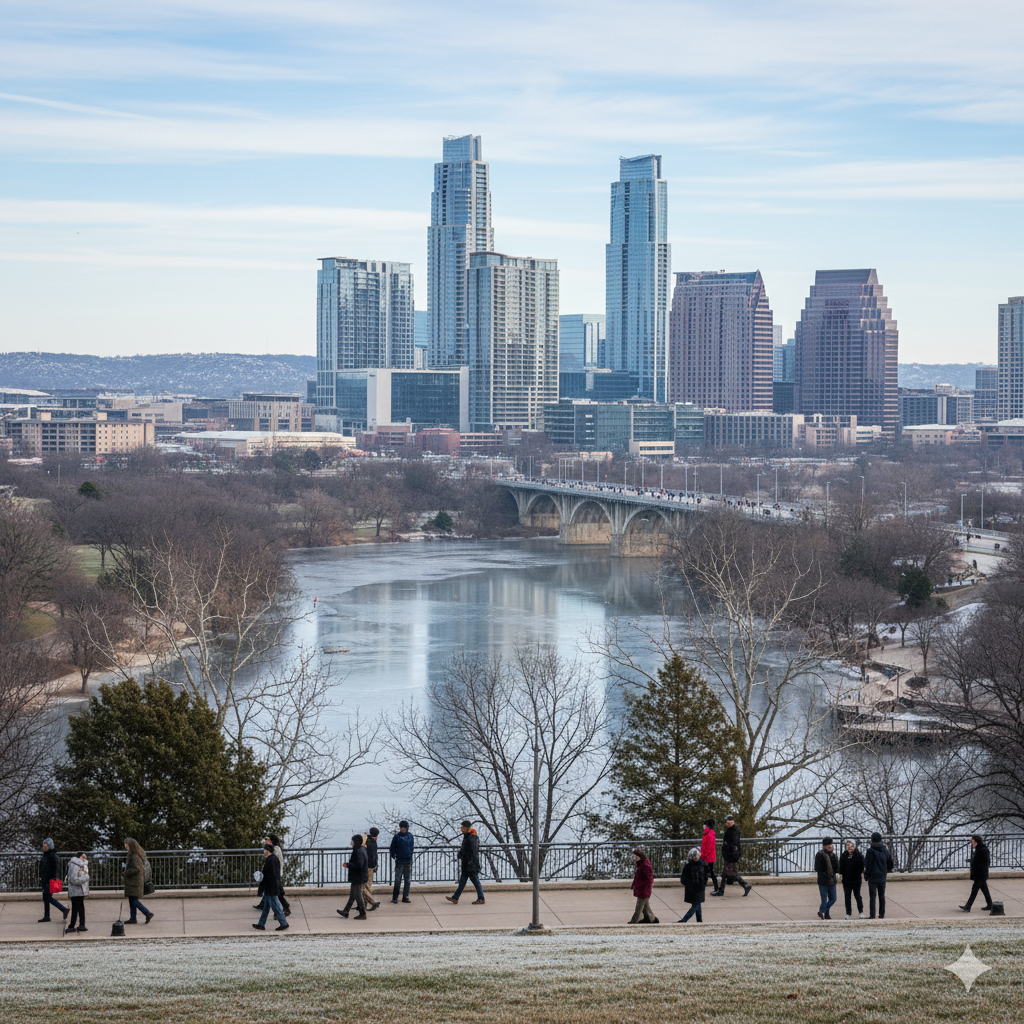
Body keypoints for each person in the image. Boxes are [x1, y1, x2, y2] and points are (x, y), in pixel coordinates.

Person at [446, 820, 485, 905]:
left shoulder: (471, 838)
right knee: (463, 881)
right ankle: (455, 898)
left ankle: (481, 898)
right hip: (467, 863)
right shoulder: (469, 836)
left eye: (463, 828)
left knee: (474, 880)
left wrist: (469, 861)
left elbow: (472, 851)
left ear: (466, 828)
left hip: (469, 864)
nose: (461, 830)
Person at [713, 815, 752, 897]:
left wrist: (727, 848)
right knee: (726, 873)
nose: (726, 823)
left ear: (731, 822)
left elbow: (733, 844)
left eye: (727, 821)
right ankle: (721, 891)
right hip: (729, 855)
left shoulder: (734, 830)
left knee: (731, 873)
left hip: (731, 856)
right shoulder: (731, 829)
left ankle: (745, 885)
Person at [253, 844, 289, 930]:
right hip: (272, 886)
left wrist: (262, 888)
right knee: (266, 907)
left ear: (267, 850)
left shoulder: (269, 861)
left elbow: (267, 876)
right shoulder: (274, 859)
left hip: (271, 887)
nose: (263, 851)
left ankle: (284, 923)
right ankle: (261, 924)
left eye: (264, 850)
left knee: (276, 906)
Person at [337, 834, 368, 920]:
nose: (351, 843)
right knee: (353, 895)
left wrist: (349, 865)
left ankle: (363, 913)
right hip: (358, 876)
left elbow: (359, 864)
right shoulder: (360, 850)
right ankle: (346, 911)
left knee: (357, 894)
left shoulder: (359, 851)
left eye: (352, 841)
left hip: (358, 876)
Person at [863, 832, 893, 920]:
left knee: (872, 896)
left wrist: (866, 875)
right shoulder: (885, 850)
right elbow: (890, 863)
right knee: (882, 895)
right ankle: (881, 914)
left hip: (873, 876)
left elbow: (868, 864)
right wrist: (885, 871)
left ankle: (872, 914)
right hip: (882, 876)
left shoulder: (870, 851)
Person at [123, 838, 154, 924]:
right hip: (133, 882)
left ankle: (147, 913)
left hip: (134, 882)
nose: (126, 847)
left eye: (127, 845)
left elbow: (137, 869)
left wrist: (126, 872)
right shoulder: (134, 854)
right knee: (132, 899)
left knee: (134, 900)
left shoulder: (135, 856)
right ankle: (133, 918)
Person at [959, 834, 993, 912]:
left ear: (977, 842)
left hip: (980, 874)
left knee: (974, 890)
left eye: (973, 843)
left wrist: (977, 869)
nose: (973, 844)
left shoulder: (982, 850)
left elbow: (984, 863)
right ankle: (990, 905)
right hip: (980, 874)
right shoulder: (980, 849)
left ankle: (968, 906)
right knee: (985, 890)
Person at [38, 838, 68, 924]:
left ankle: (63, 909)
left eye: (46, 846)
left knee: (48, 897)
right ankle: (46, 916)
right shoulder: (46, 855)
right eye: (44, 846)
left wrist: (54, 877)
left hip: (49, 879)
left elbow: (55, 868)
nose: (44, 848)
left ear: (49, 846)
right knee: (45, 898)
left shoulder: (51, 855)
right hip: (45, 878)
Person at [629, 848, 658, 924]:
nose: (635, 859)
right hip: (642, 889)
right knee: (645, 907)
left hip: (644, 889)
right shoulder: (641, 864)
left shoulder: (645, 866)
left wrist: (640, 885)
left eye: (636, 857)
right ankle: (651, 919)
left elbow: (649, 879)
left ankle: (634, 920)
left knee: (639, 907)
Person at [678, 847, 707, 923]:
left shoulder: (687, 867)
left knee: (695, 904)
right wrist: (703, 884)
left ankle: (684, 919)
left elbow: (683, 879)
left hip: (691, 889)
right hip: (700, 888)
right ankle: (699, 920)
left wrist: (688, 885)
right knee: (697, 903)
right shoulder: (703, 865)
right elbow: (706, 876)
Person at [389, 820, 414, 904]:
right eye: (401, 828)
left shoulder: (410, 836)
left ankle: (405, 896)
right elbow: (392, 847)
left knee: (407, 880)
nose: (403, 829)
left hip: (408, 861)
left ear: (406, 828)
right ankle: (395, 897)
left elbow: (412, 847)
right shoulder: (396, 837)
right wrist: (394, 855)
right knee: (397, 880)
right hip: (399, 861)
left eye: (404, 828)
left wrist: (410, 855)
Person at [839, 839, 865, 919]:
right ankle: (848, 913)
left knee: (857, 895)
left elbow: (861, 868)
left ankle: (861, 912)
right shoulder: (843, 856)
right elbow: (841, 868)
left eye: (851, 846)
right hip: (846, 880)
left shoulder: (859, 856)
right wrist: (842, 874)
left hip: (856, 880)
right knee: (847, 897)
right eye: (848, 846)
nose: (849, 847)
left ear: (854, 847)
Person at [814, 837, 839, 920]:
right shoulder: (820, 855)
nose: (830, 846)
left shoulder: (833, 855)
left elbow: (837, 868)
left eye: (830, 844)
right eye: (827, 845)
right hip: (823, 881)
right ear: (824, 846)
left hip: (832, 880)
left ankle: (823, 912)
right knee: (824, 900)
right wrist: (825, 874)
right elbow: (817, 868)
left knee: (833, 898)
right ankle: (824, 912)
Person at [65, 851, 90, 934]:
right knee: (76, 908)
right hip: (76, 891)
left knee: (80, 908)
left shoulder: (82, 865)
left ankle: (81, 925)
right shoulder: (74, 865)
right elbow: (73, 879)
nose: (84, 859)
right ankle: (72, 925)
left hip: (80, 891)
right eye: (83, 857)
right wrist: (86, 878)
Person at [362, 827, 380, 910]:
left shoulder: (366, 841)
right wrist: (374, 865)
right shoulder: (372, 843)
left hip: (365, 866)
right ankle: (370, 902)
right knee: (368, 885)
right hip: (369, 866)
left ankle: (364, 903)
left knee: (364, 885)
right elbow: (373, 856)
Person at [700, 818, 719, 894]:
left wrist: (703, 855)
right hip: (707, 857)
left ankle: (715, 888)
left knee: (709, 873)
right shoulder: (707, 833)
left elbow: (709, 847)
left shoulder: (709, 834)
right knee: (708, 873)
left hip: (708, 858)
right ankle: (713, 888)